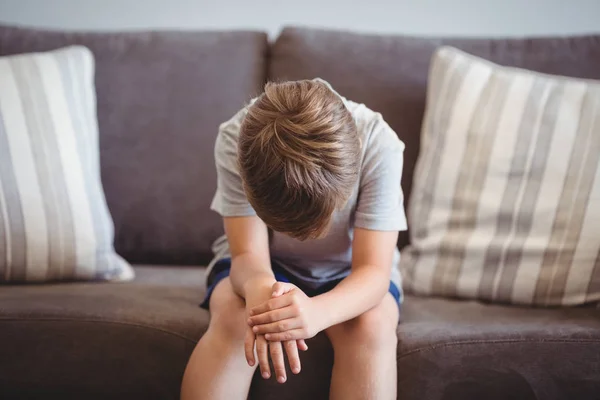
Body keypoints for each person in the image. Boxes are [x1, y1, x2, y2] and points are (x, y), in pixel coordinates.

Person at [181, 78, 407, 400]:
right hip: (265, 263)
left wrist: (319, 313)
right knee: (236, 321)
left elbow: (373, 271)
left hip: (351, 269)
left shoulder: (377, 142)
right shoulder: (236, 140)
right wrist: (261, 292)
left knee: (371, 328)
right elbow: (248, 256)